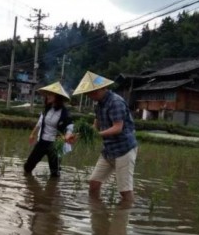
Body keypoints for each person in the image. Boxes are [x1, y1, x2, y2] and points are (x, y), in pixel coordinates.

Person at [72, 71, 138, 206]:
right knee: (94, 183)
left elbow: (117, 128)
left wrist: (97, 135)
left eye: (93, 92)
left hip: (123, 150)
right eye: (89, 93)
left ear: (103, 88)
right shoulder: (99, 104)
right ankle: (98, 213)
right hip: (108, 150)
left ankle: (125, 214)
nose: (91, 96)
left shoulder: (115, 102)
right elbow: (95, 126)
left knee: (125, 191)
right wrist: (78, 135)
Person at [24, 82, 74, 178]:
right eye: (48, 94)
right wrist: (32, 134)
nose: (48, 96)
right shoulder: (47, 109)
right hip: (42, 142)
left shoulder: (65, 113)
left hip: (55, 144)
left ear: (58, 97)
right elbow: (40, 123)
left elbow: (70, 128)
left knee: (55, 173)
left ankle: (53, 190)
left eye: (51, 94)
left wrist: (67, 136)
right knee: (28, 167)